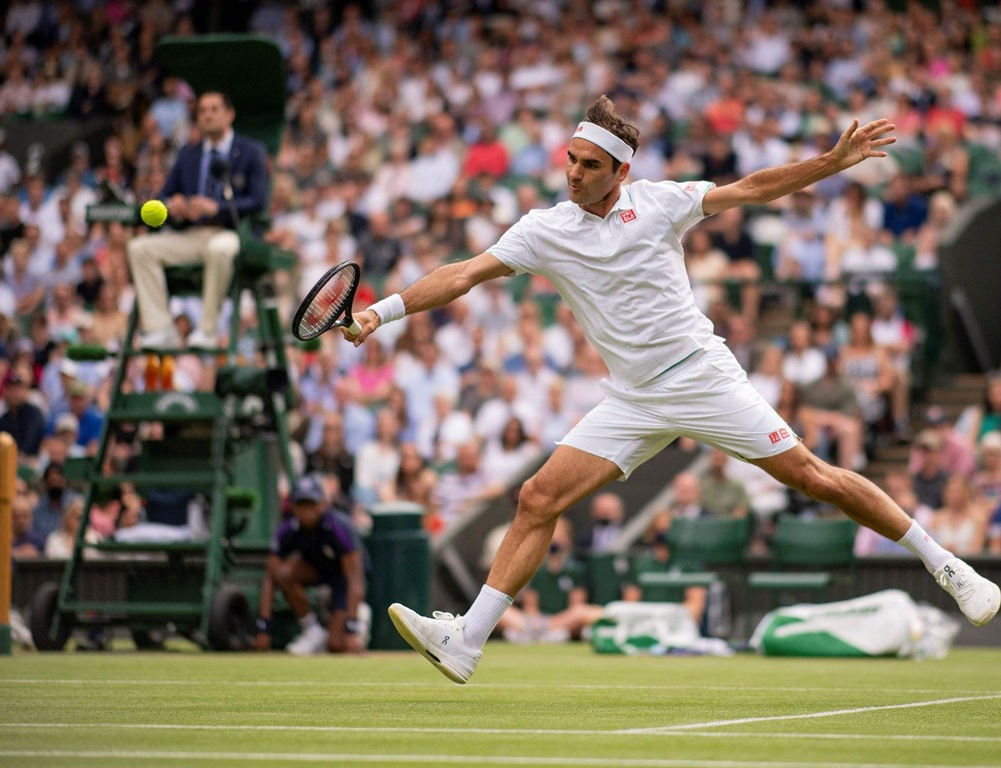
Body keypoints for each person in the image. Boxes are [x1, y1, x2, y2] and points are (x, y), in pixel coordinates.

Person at [344, 97, 997, 684]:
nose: (573, 173)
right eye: (570, 160)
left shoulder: (660, 202)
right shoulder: (544, 229)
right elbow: (462, 274)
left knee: (813, 477)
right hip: (630, 398)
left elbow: (755, 189)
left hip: (699, 376)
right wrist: (384, 311)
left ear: (619, 172)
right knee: (537, 497)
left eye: (589, 165)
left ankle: (946, 566)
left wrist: (830, 162)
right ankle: (467, 641)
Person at [127, 90, 269, 349]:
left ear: (230, 114)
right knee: (139, 248)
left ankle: (208, 330)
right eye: (202, 111)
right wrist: (174, 205)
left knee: (219, 249)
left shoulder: (251, 152)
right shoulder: (188, 154)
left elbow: (258, 201)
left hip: (231, 232)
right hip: (192, 235)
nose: (208, 115)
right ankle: (160, 329)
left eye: (214, 109)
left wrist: (217, 208)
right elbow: (164, 197)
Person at [253, 475, 366, 656]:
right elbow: (270, 577)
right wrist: (263, 629)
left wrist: (350, 630)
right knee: (283, 573)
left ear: (323, 503)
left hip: (344, 580)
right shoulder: (287, 529)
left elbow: (355, 580)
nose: (307, 510)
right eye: (301, 504)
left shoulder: (340, 527)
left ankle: (358, 617)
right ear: (293, 506)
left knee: (336, 645)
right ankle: (312, 630)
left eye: (311, 504)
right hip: (318, 570)